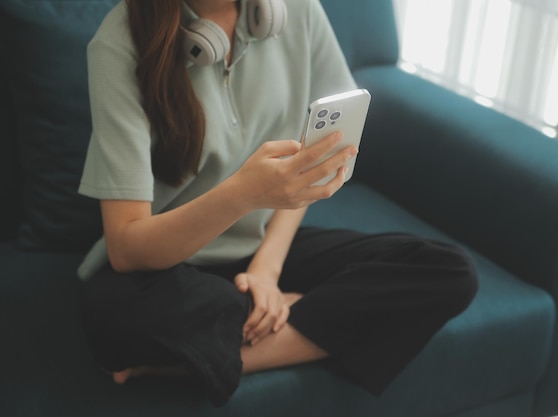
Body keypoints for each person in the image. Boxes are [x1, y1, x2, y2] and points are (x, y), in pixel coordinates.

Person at [78, 0, 478, 406]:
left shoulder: (298, 10)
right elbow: (127, 249)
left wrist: (267, 271)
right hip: (166, 264)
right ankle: (302, 318)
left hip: (261, 243)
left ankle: (181, 362)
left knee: (447, 270)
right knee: (110, 312)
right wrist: (243, 193)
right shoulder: (119, 43)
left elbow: (318, 161)